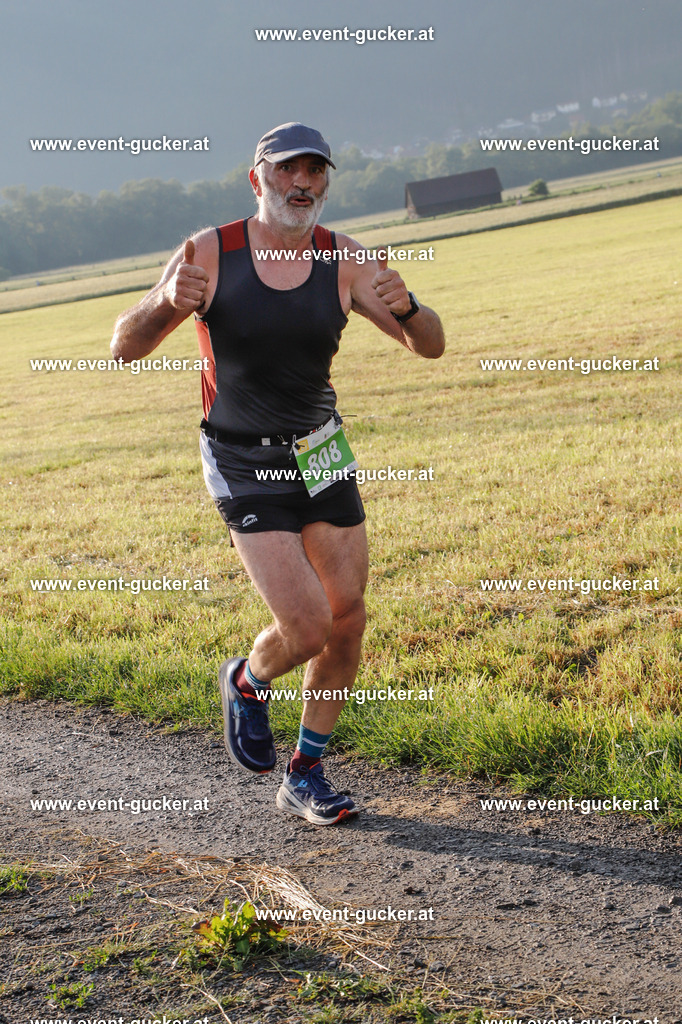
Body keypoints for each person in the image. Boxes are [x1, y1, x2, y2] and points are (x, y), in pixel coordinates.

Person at [111, 122, 445, 826]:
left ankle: (305, 773)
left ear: (325, 181)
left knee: (347, 619)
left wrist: (410, 305)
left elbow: (430, 346)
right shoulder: (211, 251)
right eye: (288, 171)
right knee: (305, 625)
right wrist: (167, 302)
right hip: (241, 452)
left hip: (321, 447)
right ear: (256, 178)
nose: (303, 185)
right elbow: (124, 346)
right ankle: (246, 679)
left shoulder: (345, 259)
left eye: (315, 173)